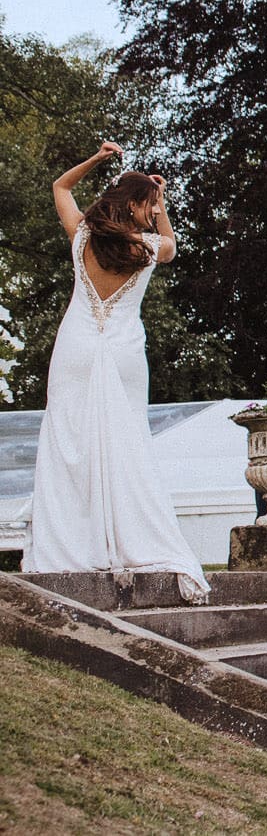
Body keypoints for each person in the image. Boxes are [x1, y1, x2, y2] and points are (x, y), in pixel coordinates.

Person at [22, 143, 209, 603]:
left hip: (76, 348)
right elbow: (173, 247)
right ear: (137, 205)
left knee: (69, 443)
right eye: (147, 207)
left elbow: (61, 186)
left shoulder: (82, 236)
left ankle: (69, 542)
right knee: (126, 446)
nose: (151, 213)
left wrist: (99, 160)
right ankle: (131, 538)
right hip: (124, 352)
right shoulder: (147, 247)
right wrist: (163, 205)